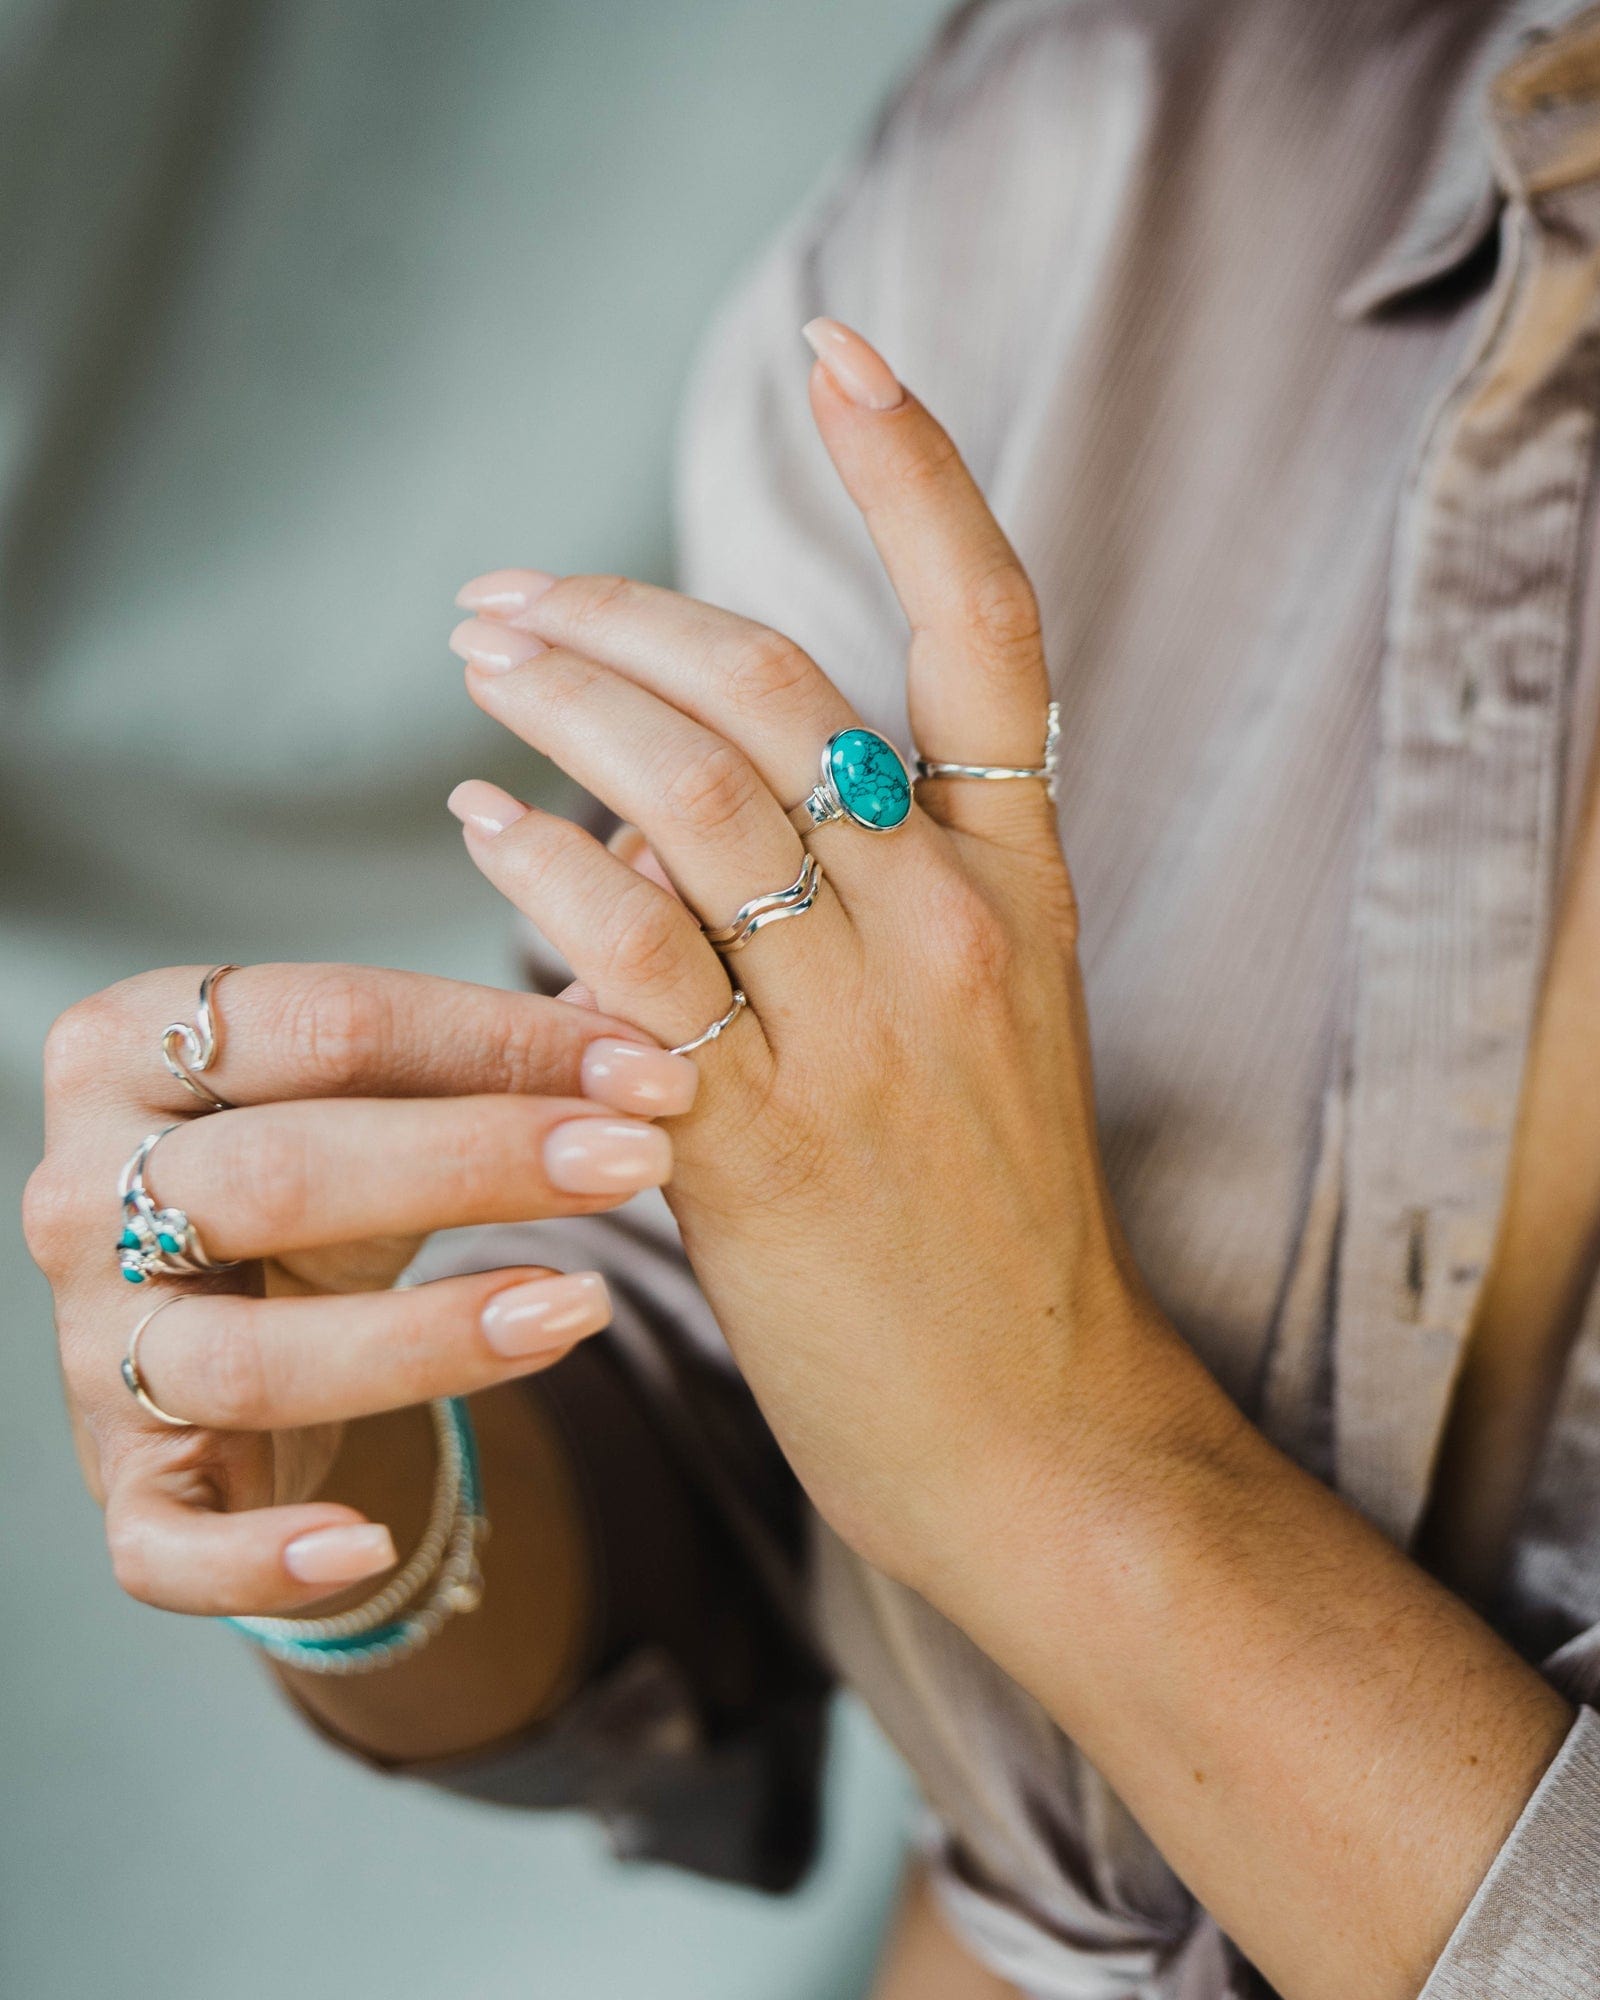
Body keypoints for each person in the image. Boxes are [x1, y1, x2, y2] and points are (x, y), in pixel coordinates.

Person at [26, 0, 1600, 1993]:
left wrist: (1054, 1462)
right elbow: (740, 1414)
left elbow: (946, 1420)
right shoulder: (1122, 131)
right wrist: (355, 1467)